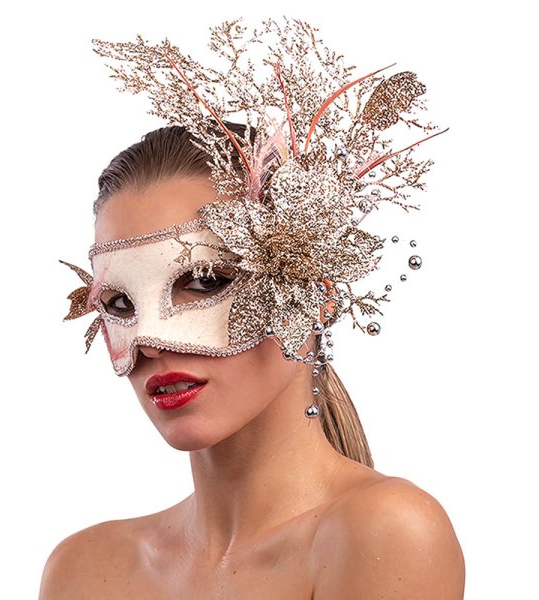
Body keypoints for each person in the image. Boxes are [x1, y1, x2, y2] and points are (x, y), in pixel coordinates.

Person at [39, 19, 465, 598]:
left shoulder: (384, 531)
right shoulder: (85, 570)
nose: (149, 341)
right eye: (119, 302)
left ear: (314, 294)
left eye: (204, 281)